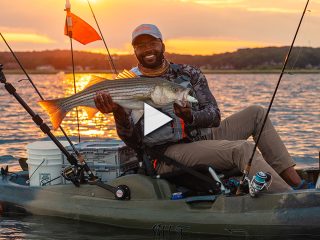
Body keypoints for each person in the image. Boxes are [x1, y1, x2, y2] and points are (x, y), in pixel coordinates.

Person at [94, 24, 305, 193]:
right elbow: (133, 141)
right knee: (243, 149)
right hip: (167, 154)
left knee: (256, 113)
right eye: (141, 46)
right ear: (134, 51)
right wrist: (118, 112)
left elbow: (214, 116)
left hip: (201, 137)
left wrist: (190, 116)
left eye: (152, 43)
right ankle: (287, 199)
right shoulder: (129, 84)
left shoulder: (188, 74)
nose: (148, 49)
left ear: (162, 45)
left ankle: (297, 185)